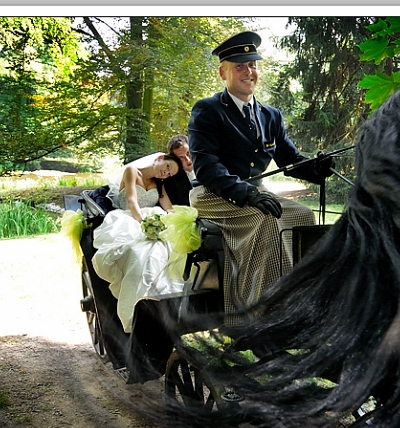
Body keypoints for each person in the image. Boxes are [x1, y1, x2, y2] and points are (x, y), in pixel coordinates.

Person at [187, 31, 333, 323]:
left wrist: (316, 169)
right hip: (212, 195)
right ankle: (254, 318)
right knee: (265, 220)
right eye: (240, 66)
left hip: (256, 195)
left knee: (303, 216)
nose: (248, 71)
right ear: (223, 72)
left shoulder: (270, 115)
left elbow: (291, 160)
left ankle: (294, 303)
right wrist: (248, 194)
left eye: (252, 64)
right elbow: (206, 167)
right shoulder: (208, 110)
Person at [92, 152, 194, 333]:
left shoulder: (160, 184)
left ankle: (163, 301)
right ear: (161, 159)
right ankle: (134, 306)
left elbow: (169, 208)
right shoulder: (132, 171)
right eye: (168, 168)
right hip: (130, 217)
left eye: (169, 174)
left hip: (154, 218)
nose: (166, 174)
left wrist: (177, 222)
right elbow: (132, 200)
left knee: (165, 249)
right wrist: (144, 224)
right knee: (138, 253)